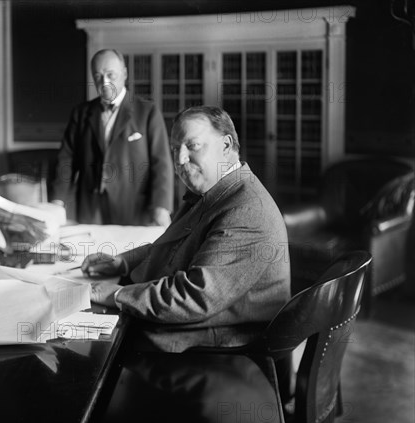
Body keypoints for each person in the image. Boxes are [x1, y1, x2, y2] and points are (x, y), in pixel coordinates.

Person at [82, 106, 291, 352]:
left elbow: (194, 297)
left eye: (192, 146)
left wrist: (116, 295)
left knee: (89, 352)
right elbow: (175, 247)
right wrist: (122, 262)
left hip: (214, 350)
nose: (180, 160)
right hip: (196, 330)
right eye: (174, 149)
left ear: (226, 146)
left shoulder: (247, 211)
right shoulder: (216, 190)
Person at [53, 49, 174, 226]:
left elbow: (161, 163)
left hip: (133, 209)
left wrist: (161, 208)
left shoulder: (147, 112)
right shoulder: (81, 113)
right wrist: (58, 201)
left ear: (124, 73)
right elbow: (66, 159)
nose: (105, 82)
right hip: (90, 210)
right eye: (98, 76)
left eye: (111, 75)